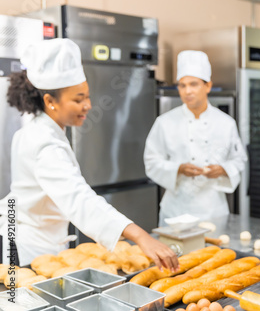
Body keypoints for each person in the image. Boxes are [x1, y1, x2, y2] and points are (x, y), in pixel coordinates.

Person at [0, 38, 179, 271]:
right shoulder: (44, 143)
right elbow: (79, 198)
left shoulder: (37, 129)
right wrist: (140, 235)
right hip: (28, 252)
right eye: (78, 99)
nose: (88, 105)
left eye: (87, 96)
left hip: (32, 241)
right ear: (49, 101)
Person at [144, 50, 247, 223]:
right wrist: (178, 168)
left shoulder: (226, 123)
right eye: (182, 85)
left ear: (208, 86)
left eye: (193, 84)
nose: (187, 91)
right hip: (176, 212)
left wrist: (222, 170)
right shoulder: (165, 122)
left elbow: (239, 160)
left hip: (213, 212)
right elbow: (151, 161)